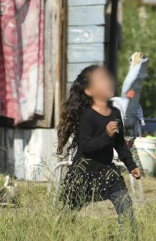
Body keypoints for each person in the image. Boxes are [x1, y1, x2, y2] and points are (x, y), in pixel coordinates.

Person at [56, 65, 142, 228]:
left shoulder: (115, 113)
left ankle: (128, 236)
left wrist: (131, 165)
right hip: (83, 174)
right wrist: (106, 135)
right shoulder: (87, 115)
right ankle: (58, 234)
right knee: (67, 215)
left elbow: (119, 142)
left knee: (125, 206)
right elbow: (86, 146)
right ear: (89, 91)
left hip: (107, 171)